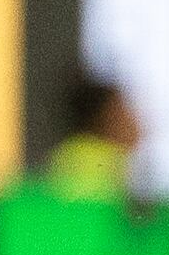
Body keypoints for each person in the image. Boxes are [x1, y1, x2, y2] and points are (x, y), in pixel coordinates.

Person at [39, 71, 143, 199]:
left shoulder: (66, 151)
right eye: (122, 112)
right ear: (102, 119)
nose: (133, 119)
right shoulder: (108, 159)